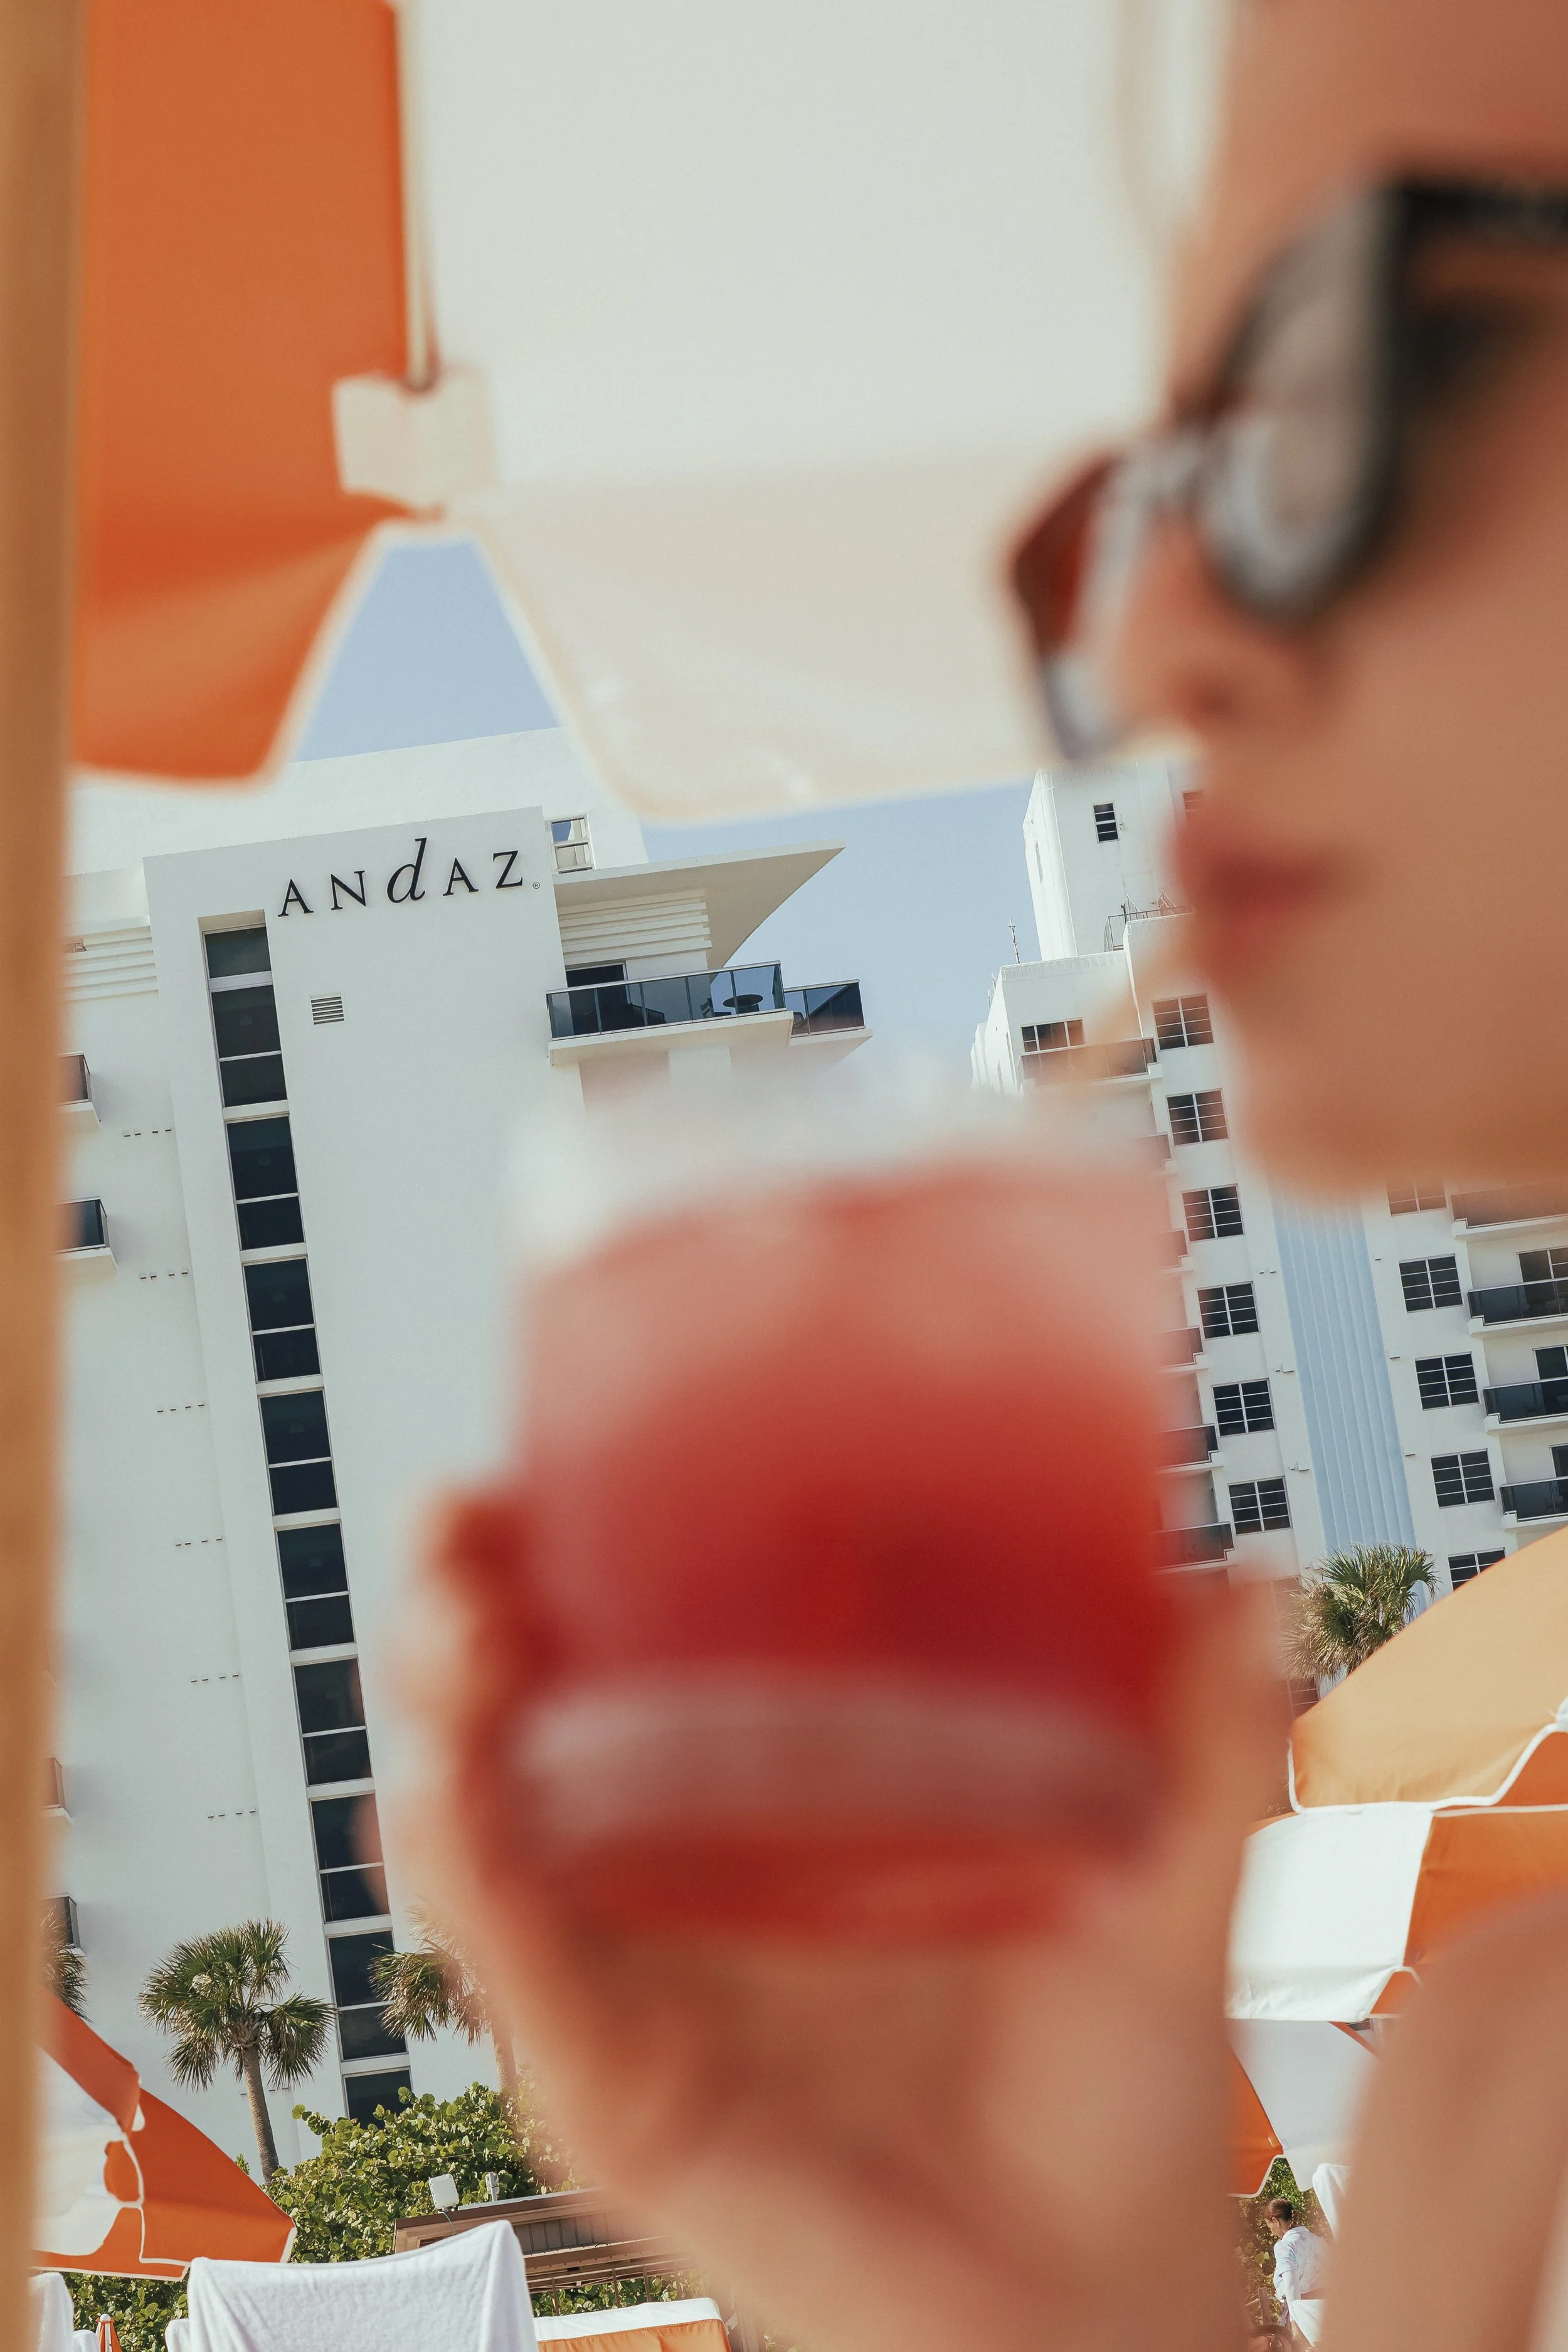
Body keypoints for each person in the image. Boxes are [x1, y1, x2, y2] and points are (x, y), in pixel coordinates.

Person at [398, 4, 1568, 2351]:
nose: (1146, 636)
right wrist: (1045, 2300)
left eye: (1333, 380)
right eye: (1130, 498)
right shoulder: (1505, 2107)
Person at [1266, 2198, 1327, 2347]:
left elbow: (1291, 2284)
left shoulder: (1285, 2246)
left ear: (1276, 2221)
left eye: (1270, 2226)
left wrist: (1294, 2321)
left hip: (1299, 2309)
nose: (1271, 2231)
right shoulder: (1319, 2242)